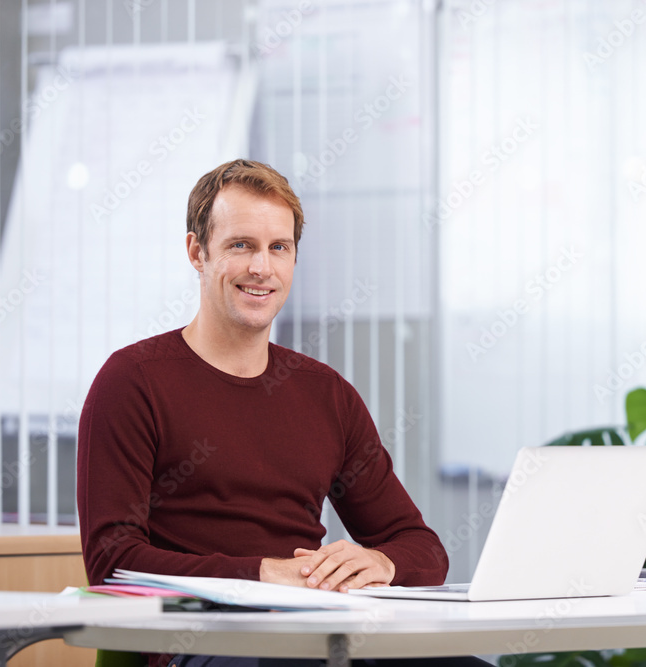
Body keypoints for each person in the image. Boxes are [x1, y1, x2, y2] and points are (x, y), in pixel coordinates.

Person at [77, 160, 456, 667]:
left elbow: (424, 549)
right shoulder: (132, 381)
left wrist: (377, 560)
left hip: (317, 636)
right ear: (197, 252)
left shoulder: (328, 395)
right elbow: (112, 562)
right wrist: (262, 573)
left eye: (279, 248)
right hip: (205, 647)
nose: (263, 267)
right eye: (241, 245)